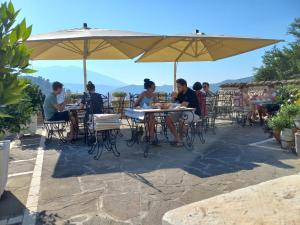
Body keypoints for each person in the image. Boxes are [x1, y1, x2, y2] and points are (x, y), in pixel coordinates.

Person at [166, 78, 200, 146]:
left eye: (178, 86)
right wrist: (173, 97)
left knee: (182, 120)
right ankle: (177, 138)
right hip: (182, 111)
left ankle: (180, 140)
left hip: (193, 112)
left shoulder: (191, 93)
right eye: (177, 87)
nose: (177, 88)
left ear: (184, 85)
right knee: (168, 119)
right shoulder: (180, 93)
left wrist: (174, 104)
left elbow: (185, 104)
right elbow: (173, 103)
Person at [134, 79, 157, 143]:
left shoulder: (154, 95)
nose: (155, 88)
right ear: (148, 88)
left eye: (155, 87)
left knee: (151, 118)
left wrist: (155, 105)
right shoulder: (143, 94)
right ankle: (150, 136)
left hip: (150, 114)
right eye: (153, 87)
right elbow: (135, 105)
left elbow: (157, 105)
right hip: (141, 115)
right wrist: (139, 107)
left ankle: (147, 135)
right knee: (152, 119)